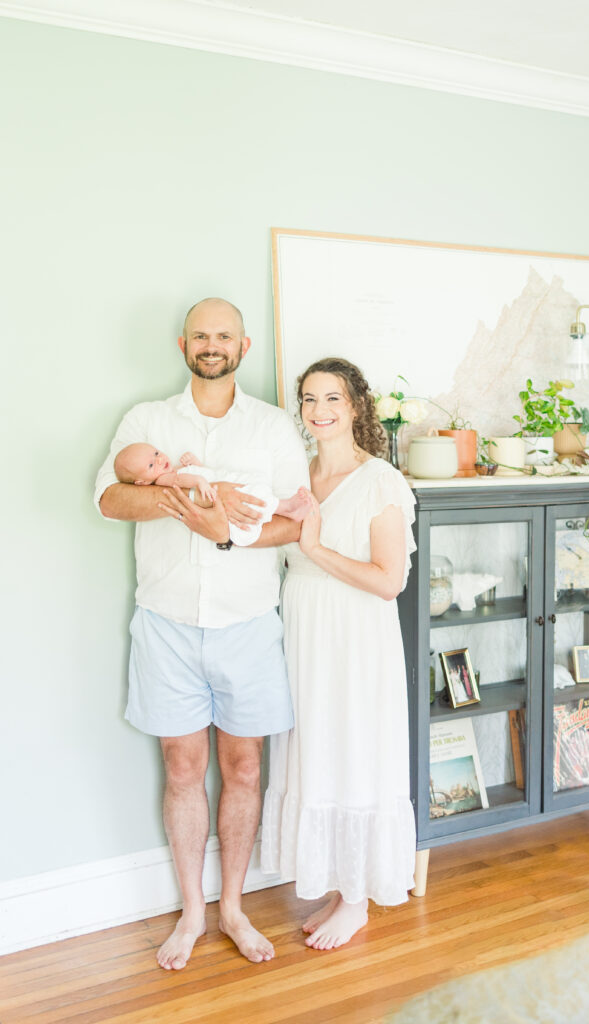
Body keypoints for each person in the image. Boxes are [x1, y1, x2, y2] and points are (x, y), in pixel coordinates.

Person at [94, 298, 309, 970]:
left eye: (223, 336)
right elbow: (109, 499)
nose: (211, 345)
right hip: (167, 626)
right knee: (182, 771)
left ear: (243, 345)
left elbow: (297, 523)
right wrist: (183, 502)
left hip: (247, 625)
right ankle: (192, 912)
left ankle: (235, 909)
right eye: (200, 335)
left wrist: (223, 534)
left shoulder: (273, 427)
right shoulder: (146, 422)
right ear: (181, 343)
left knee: (244, 769)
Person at [261, 356, 417, 950]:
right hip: (305, 637)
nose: (319, 411)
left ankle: (357, 902)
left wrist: (314, 545)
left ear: (355, 406)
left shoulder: (381, 481)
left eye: (332, 399)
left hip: (356, 641)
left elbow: (388, 580)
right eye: (308, 399)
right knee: (318, 748)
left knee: (355, 749)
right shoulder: (296, 478)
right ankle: (338, 884)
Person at [114, 442, 310, 546]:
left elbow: (199, 473)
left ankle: (282, 509)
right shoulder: (163, 480)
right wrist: (199, 480)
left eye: (156, 453)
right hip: (217, 497)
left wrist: (196, 465)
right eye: (150, 465)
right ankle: (286, 507)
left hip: (220, 490)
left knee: (251, 492)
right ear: (142, 482)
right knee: (252, 495)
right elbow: (185, 481)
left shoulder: (172, 469)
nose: (158, 460)